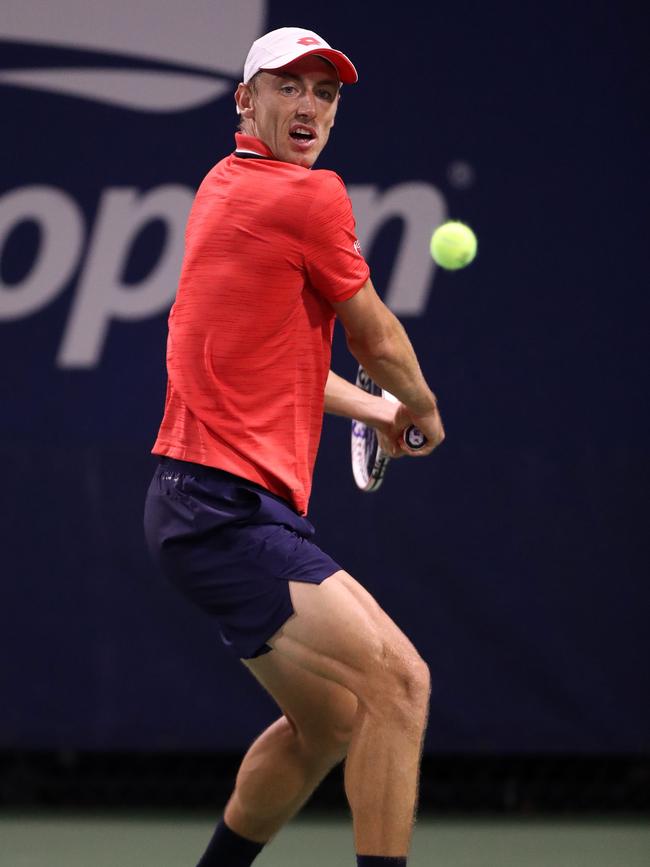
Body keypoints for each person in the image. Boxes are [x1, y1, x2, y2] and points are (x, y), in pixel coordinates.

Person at [144, 26, 445, 867]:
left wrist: (377, 412)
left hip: (196, 506)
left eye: (326, 93)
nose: (309, 105)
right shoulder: (307, 197)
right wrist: (419, 402)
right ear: (247, 100)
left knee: (333, 721)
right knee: (401, 681)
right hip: (222, 510)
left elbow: (282, 370)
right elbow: (377, 335)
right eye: (289, 86)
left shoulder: (223, 189)